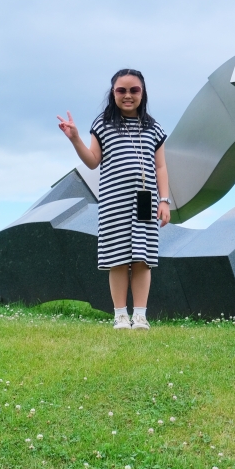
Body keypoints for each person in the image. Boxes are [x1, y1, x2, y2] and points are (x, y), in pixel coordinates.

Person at [57, 69, 170, 330]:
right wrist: (75, 139)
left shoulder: (154, 127)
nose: (128, 95)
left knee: (143, 258)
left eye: (134, 90)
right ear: (113, 93)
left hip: (145, 203)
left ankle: (140, 315)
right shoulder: (103, 124)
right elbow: (93, 161)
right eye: (122, 90)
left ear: (143, 93)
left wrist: (164, 200)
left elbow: (161, 167)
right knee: (118, 258)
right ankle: (120, 315)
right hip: (113, 203)